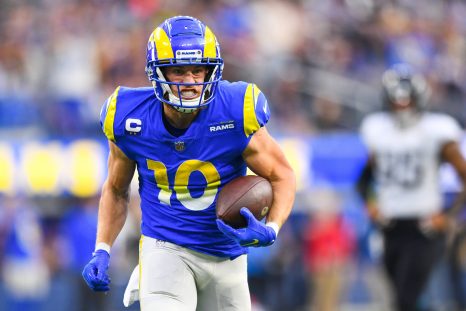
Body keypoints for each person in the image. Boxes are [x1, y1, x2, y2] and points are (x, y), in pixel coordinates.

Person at [81, 15, 296, 310]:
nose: (190, 82)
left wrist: (272, 227)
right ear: (157, 72)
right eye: (179, 71)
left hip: (227, 255)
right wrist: (102, 248)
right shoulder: (128, 117)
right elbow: (117, 190)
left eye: (198, 70)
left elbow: (282, 175)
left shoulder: (235, 110)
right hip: (165, 247)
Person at [357, 63, 466, 311]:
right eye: (396, 102)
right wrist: (371, 204)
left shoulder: (437, 130)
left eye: (406, 102)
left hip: (424, 228)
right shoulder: (379, 131)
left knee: (405, 299)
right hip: (390, 228)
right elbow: (363, 180)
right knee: (402, 296)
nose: (402, 108)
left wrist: (449, 217)